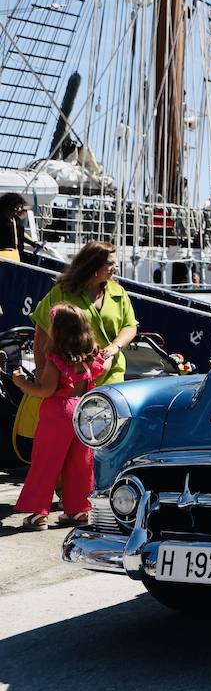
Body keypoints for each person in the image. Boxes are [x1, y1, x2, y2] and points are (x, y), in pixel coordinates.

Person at [13, 303, 106, 529]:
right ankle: (78, 510)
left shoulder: (56, 360)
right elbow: (103, 367)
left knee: (46, 462)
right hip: (83, 413)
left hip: (59, 413)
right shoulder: (89, 357)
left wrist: (21, 382)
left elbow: (46, 390)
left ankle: (38, 513)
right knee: (80, 463)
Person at [32, 241, 137, 385]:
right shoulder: (62, 293)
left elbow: (130, 326)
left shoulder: (118, 292)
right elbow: (42, 334)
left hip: (111, 376)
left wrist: (115, 346)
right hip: (71, 379)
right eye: (109, 264)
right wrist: (40, 374)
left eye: (115, 264)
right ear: (92, 264)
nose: (115, 269)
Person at [0, 192, 41, 262]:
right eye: (16, 208)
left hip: (16, 255)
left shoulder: (16, 219)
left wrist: (33, 243)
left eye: (20, 207)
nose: (18, 210)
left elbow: (20, 233)